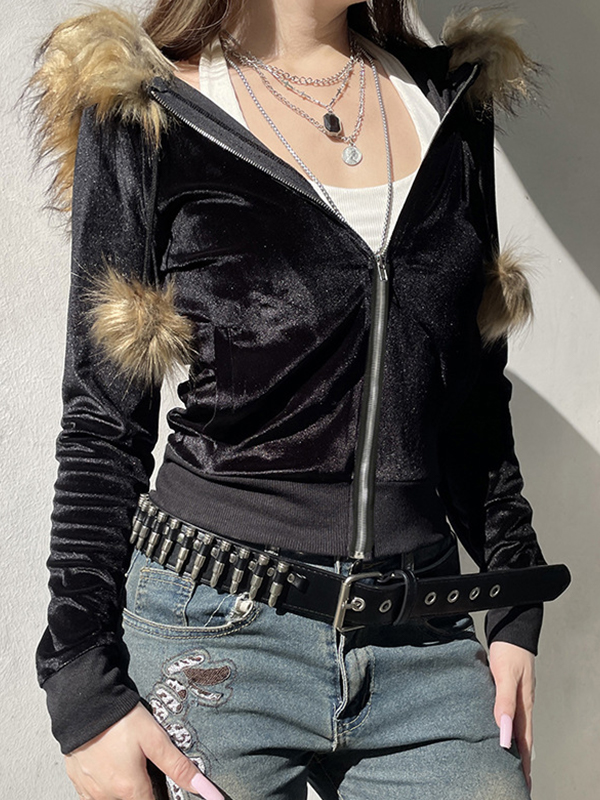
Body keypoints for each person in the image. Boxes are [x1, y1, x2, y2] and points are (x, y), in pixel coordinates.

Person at [24, 1, 568, 799]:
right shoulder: (148, 106)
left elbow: (473, 401)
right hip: (211, 629)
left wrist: (514, 596)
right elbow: (103, 423)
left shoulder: (448, 103)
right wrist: (81, 685)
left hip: (420, 634)